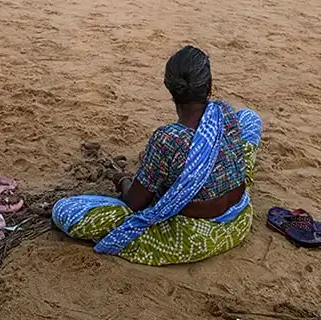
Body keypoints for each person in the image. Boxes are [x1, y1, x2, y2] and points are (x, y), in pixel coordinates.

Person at [52, 45, 263, 266]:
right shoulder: (223, 111)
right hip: (240, 216)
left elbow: (134, 203)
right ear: (209, 87)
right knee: (248, 118)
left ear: (169, 88)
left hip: (196, 236)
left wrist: (124, 181)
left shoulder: (167, 138)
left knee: (67, 211)